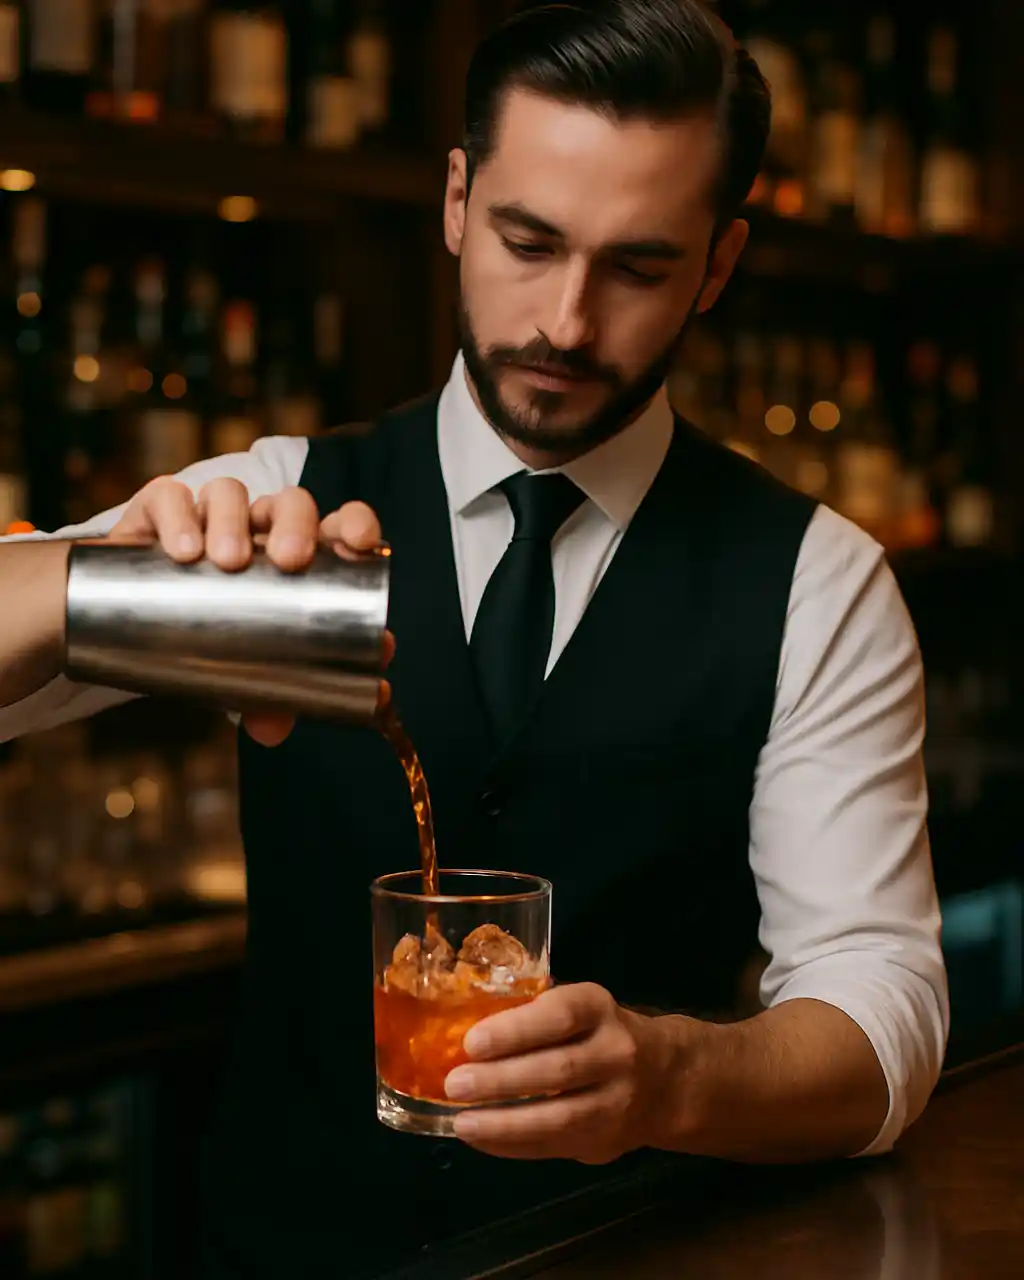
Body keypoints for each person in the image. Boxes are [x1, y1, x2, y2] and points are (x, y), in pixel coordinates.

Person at [0, 1, 947, 1275]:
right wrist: (90, 581)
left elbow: (883, 1017)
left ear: (718, 265)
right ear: (454, 200)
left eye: (638, 265)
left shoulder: (818, 581)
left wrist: (672, 1073)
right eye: (525, 239)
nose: (563, 319)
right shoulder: (282, 495)